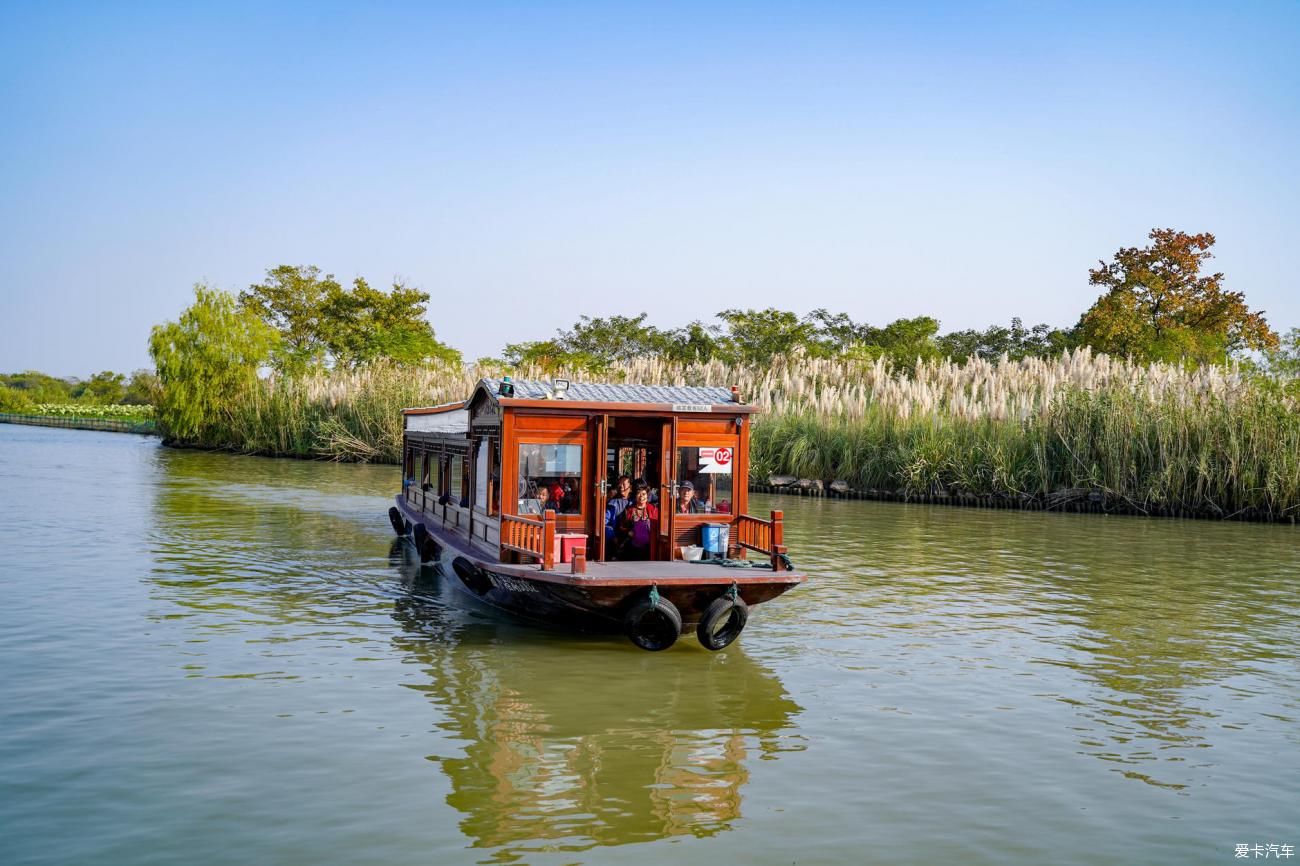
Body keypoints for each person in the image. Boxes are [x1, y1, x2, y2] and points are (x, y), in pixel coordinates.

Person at [617, 486, 658, 561]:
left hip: (650, 547)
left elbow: (657, 528)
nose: (641, 496)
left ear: (647, 496)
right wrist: (628, 532)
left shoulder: (654, 510)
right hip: (632, 547)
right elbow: (622, 527)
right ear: (635, 496)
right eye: (638, 493)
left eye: (644, 494)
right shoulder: (628, 511)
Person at [604, 476, 633, 556]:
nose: (621, 487)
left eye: (624, 484)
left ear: (630, 487)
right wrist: (613, 536)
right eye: (619, 485)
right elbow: (605, 522)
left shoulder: (634, 501)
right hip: (616, 535)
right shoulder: (613, 503)